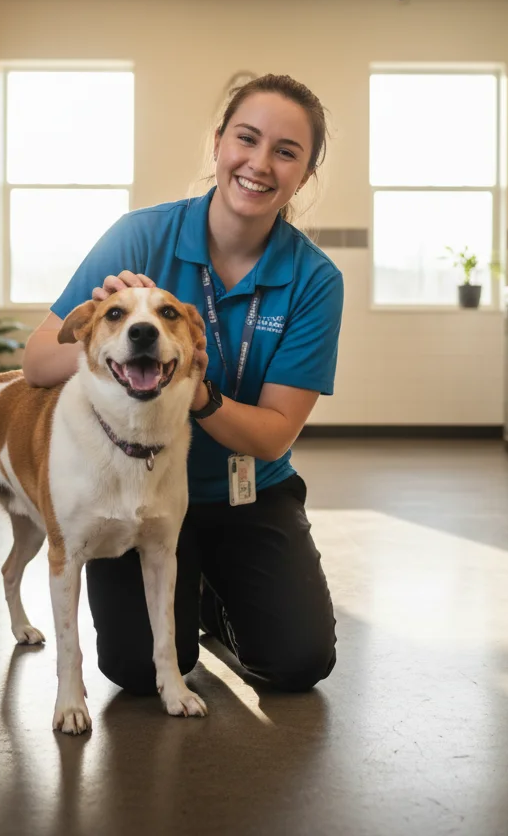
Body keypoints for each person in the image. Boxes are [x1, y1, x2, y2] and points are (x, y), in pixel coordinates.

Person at [23, 73, 344, 694]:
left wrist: (197, 391)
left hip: (243, 492)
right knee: (136, 673)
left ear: (304, 175)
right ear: (219, 142)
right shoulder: (139, 236)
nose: (259, 163)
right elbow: (37, 360)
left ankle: (214, 600)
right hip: (127, 483)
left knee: (298, 663)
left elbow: (274, 436)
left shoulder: (314, 280)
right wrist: (105, 337)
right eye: (245, 139)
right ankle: (184, 596)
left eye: (286, 151)